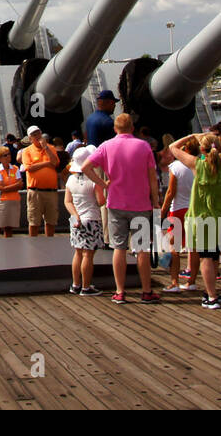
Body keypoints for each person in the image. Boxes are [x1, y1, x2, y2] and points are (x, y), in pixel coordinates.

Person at [83, 113, 161, 304]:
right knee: (142, 248)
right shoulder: (144, 146)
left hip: (116, 204)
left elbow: (86, 167)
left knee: (118, 247)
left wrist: (103, 183)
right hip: (141, 204)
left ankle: (120, 291)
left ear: (115, 128)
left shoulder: (107, 146)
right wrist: (156, 201)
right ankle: (146, 290)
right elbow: (152, 177)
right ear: (132, 128)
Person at [169, 132, 221, 309]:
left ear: (202, 149)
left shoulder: (197, 165)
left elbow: (172, 148)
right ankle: (211, 291)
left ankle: (211, 296)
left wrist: (191, 135)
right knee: (214, 256)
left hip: (201, 215)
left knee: (205, 256)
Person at [65, 145, 105, 295]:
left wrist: (76, 215)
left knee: (78, 253)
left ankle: (76, 284)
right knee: (88, 255)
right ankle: (86, 287)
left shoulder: (70, 179)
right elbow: (100, 201)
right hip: (92, 218)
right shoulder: (93, 180)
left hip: (76, 220)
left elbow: (67, 201)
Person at [159, 135, 195, 292]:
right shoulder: (199, 165)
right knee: (194, 247)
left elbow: (170, 192)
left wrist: (162, 211)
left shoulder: (176, 167)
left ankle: (174, 282)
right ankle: (191, 281)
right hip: (194, 209)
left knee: (173, 248)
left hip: (177, 209)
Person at [20, 126, 60, 237]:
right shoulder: (27, 151)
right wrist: (47, 163)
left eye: (38, 133)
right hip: (35, 191)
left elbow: (55, 163)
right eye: (34, 135)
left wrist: (46, 148)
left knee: (51, 221)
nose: (37, 136)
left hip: (51, 191)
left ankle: (50, 242)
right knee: (34, 221)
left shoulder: (51, 148)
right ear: (30, 138)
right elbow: (29, 167)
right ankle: (33, 244)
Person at [0, 145, 22, 238]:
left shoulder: (15, 168)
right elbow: (0, 187)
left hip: (14, 201)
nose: (8, 156)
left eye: (9, 154)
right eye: (5, 155)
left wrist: (5, 188)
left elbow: (20, 185)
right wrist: (15, 185)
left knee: (9, 227)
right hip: (2, 201)